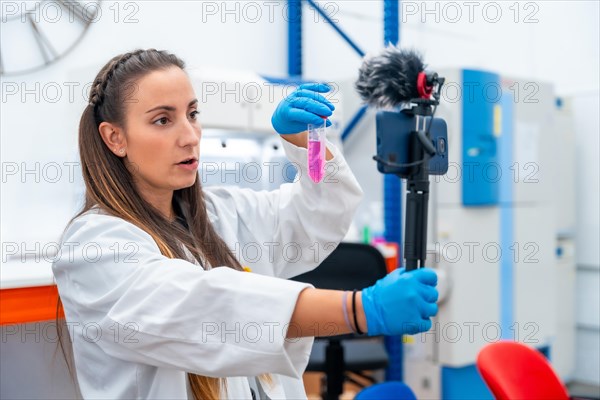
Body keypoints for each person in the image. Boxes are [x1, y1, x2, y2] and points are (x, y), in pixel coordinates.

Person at [52, 49, 439, 400]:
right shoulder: (94, 246)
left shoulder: (220, 213)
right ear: (115, 137)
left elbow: (317, 216)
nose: (190, 137)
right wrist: (358, 309)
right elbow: (206, 308)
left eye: (192, 114)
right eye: (162, 120)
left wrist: (309, 142)